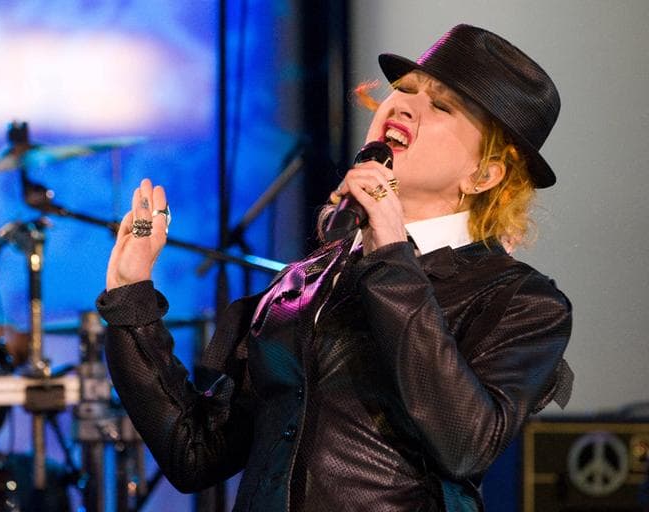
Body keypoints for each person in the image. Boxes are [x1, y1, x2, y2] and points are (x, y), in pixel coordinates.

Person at [97, 24, 573, 511]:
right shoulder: (302, 283)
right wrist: (130, 297)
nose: (404, 105)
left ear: (483, 174)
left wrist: (390, 250)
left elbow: (465, 444)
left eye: (443, 106)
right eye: (405, 90)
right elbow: (196, 454)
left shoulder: (519, 301)